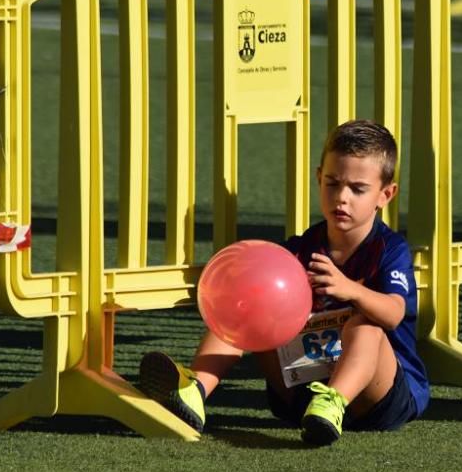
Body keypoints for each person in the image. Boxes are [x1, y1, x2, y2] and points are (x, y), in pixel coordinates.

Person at [139, 119, 428, 445]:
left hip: (378, 398)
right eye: (332, 183)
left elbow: (393, 313)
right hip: (303, 388)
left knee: (366, 324)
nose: (341, 198)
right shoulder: (302, 249)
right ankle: (195, 390)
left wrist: (351, 290)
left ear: (385, 195)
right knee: (250, 303)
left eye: (358, 189)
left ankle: (334, 400)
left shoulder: (390, 249)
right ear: (319, 178)